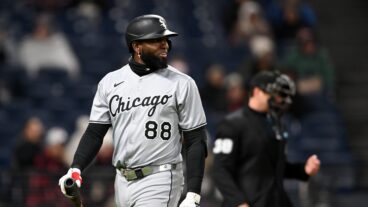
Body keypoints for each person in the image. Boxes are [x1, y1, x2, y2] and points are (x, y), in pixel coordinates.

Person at [58, 14, 208, 207]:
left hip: (160, 176)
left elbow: (196, 139)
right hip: (122, 180)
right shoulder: (110, 83)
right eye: (157, 40)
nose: (165, 45)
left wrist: (193, 193)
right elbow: (95, 132)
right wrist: (75, 168)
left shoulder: (182, 83)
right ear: (137, 47)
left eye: (165, 39)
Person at [212, 71, 320, 207]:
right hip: (248, 201)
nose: (278, 99)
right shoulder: (233, 124)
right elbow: (221, 170)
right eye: (273, 94)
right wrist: (238, 202)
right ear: (257, 92)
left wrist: (303, 169)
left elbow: (276, 167)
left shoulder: (276, 124)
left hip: (276, 201)